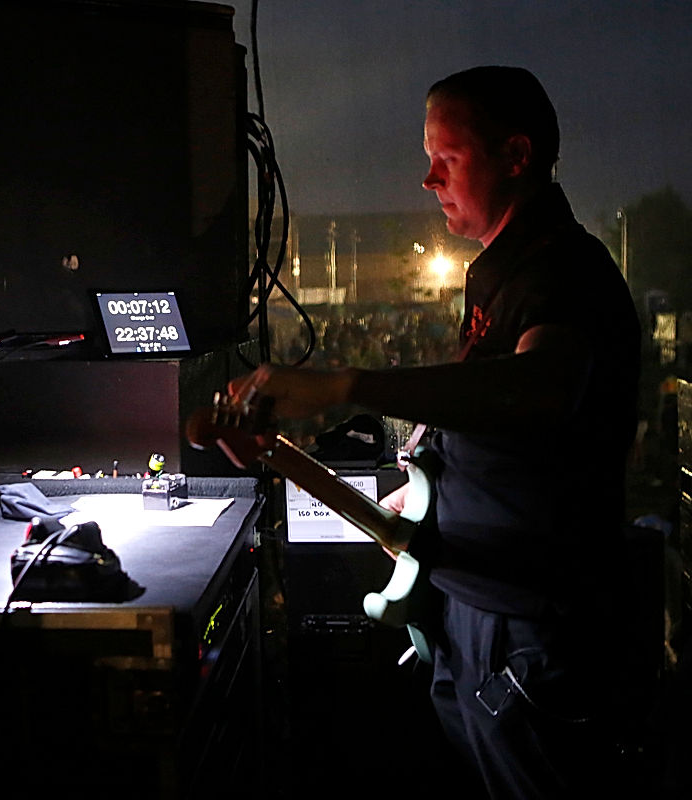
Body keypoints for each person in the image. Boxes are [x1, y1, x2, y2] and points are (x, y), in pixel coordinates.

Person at [227, 67, 641, 798]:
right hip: (474, 610)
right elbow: (498, 439)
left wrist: (344, 383)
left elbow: (540, 390)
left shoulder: (567, 271)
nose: (427, 179)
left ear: (516, 155)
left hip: (526, 628)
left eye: (446, 159)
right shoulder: (504, 275)